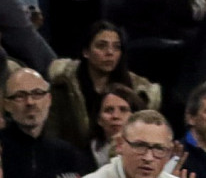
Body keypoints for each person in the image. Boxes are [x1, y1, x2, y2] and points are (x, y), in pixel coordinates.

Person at [46, 20, 160, 151]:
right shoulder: (64, 87)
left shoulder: (138, 90)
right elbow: (52, 137)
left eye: (116, 47)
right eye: (101, 46)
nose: (110, 52)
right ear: (86, 52)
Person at [1, 66, 89, 178]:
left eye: (37, 93)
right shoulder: (1, 151)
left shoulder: (68, 154)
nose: (30, 102)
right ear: (7, 105)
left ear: (49, 99)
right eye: (20, 96)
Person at [76, 109, 186, 178]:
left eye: (158, 148)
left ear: (169, 153)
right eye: (140, 146)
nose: (148, 158)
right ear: (120, 145)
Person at [89, 84, 142, 167]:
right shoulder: (85, 154)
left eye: (123, 110)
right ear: (99, 119)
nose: (116, 116)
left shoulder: (149, 153)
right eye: (109, 110)